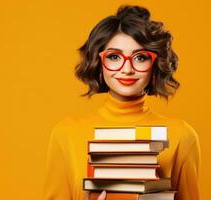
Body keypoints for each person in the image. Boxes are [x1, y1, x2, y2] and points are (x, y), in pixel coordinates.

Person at [43, 5, 201, 200]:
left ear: (155, 65)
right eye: (114, 57)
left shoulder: (181, 136)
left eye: (140, 57)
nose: (127, 69)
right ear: (98, 63)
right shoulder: (66, 133)